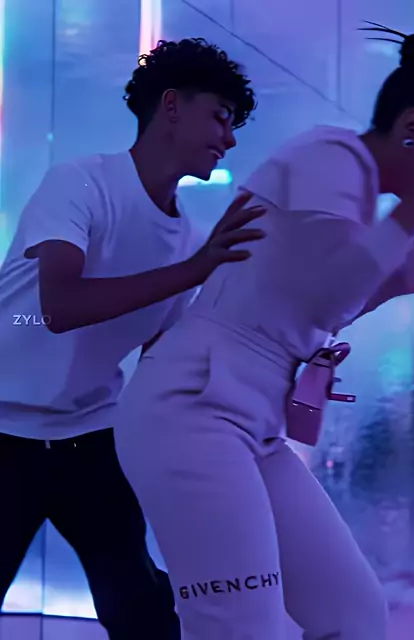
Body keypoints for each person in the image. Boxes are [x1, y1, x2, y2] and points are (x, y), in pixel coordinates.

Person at [113, 27, 414, 640]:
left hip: (249, 421)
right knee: (240, 626)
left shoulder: (353, 187)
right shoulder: (331, 158)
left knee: (353, 616)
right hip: (194, 409)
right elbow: (328, 292)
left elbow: (311, 308)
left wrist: (397, 281)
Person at [0, 38, 264, 639]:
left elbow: (161, 361)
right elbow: (59, 307)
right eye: (220, 117)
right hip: (3, 434)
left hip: (89, 436)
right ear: (171, 105)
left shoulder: (187, 237)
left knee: (141, 609)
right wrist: (195, 271)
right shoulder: (79, 183)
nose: (229, 139)